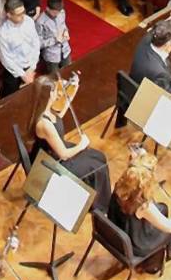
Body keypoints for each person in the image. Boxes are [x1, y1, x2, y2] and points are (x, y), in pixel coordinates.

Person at [26, 76, 111, 214]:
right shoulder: (44, 124)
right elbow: (64, 155)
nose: (58, 93)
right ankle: (101, 208)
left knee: (98, 156)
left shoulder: (47, 111)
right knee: (97, 166)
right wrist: (82, 145)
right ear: (47, 96)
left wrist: (72, 92)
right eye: (54, 91)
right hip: (52, 164)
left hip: (55, 151)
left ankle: (96, 197)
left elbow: (60, 114)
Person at [109, 156, 171, 268]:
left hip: (120, 231)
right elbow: (169, 227)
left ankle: (157, 257)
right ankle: (154, 264)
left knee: (163, 208)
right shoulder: (143, 206)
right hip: (136, 245)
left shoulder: (119, 187)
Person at [0, 0, 41, 95]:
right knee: (11, 96)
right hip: (14, 71)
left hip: (30, 65)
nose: (23, 16)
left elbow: (36, 44)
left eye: (23, 12)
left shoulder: (29, 21)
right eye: (19, 14)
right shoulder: (3, 33)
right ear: (9, 15)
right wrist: (22, 74)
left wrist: (32, 67)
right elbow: (5, 58)